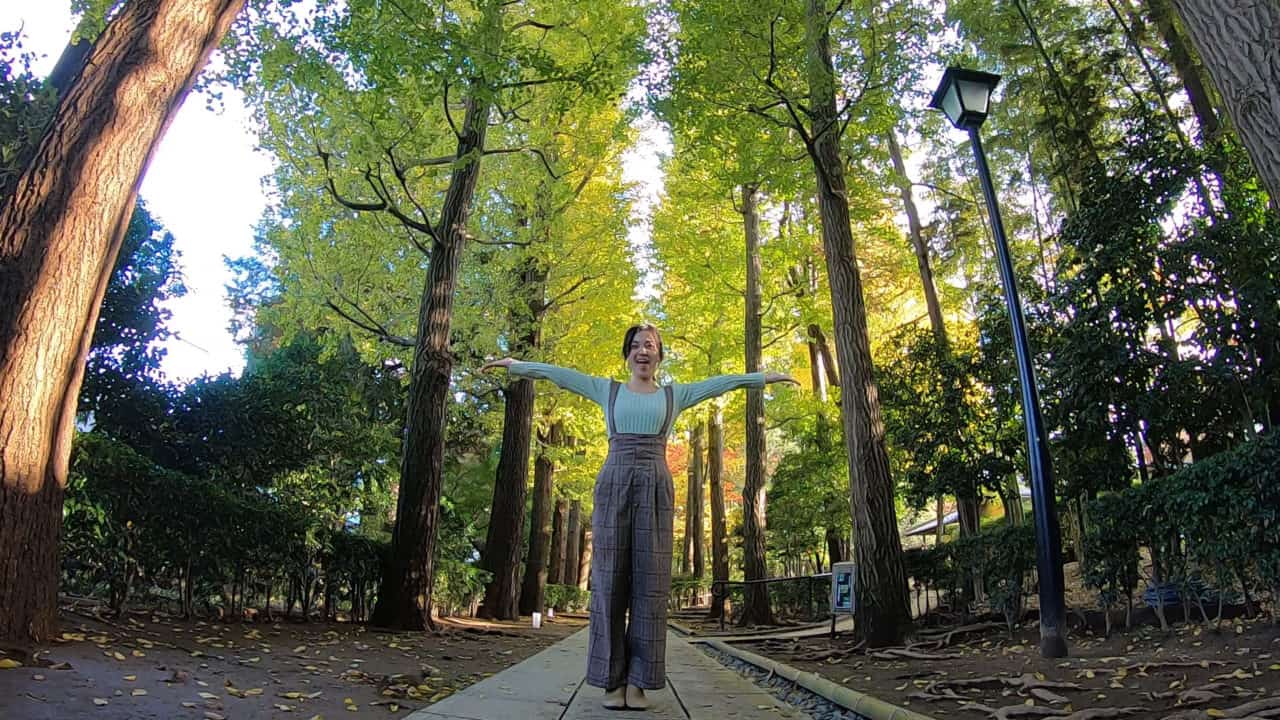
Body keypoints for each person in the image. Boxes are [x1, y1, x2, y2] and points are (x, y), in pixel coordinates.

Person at [481, 323, 796, 711]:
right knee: (609, 580)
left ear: (659, 355)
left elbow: (721, 384)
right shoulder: (607, 390)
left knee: (651, 583)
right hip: (613, 482)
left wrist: (762, 378)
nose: (642, 351)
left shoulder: (674, 395)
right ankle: (610, 680)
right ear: (627, 354)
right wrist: (515, 365)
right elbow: (560, 375)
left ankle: (639, 682)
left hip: (656, 485)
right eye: (635, 345)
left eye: (650, 345)